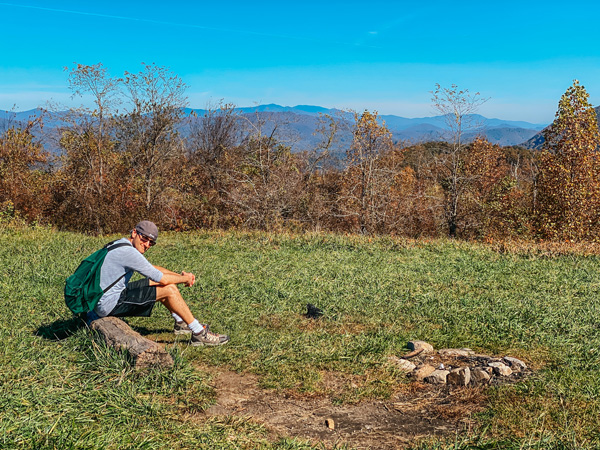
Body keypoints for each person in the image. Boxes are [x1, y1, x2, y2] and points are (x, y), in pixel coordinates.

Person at [90, 220, 229, 347]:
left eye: (151, 242)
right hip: (107, 304)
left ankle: (180, 323)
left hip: (101, 298)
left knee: (162, 284)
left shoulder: (120, 243)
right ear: (134, 233)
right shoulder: (129, 253)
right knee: (168, 289)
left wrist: (180, 276)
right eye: (144, 239)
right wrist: (184, 280)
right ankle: (199, 333)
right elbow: (162, 279)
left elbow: (154, 269)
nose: (146, 245)